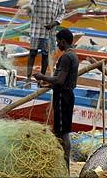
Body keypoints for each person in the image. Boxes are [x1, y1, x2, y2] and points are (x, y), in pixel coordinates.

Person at [33, 28, 79, 173]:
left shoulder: (66, 57)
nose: (58, 44)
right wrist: (47, 84)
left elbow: (59, 80)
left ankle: (64, 167)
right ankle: (61, 165)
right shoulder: (74, 56)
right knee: (61, 130)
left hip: (62, 97)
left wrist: (42, 76)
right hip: (68, 95)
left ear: (63, 41)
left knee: (61, 132)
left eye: (58, 41)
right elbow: (64, 80)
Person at [23, 0, 65, 88]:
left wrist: (55, 23)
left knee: (46, 55)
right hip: (36, 29)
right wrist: (29, 9)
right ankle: (28, 78)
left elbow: (62, 12)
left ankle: (41, 79)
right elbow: (31, 5)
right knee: (32, 53)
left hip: (50, 32)